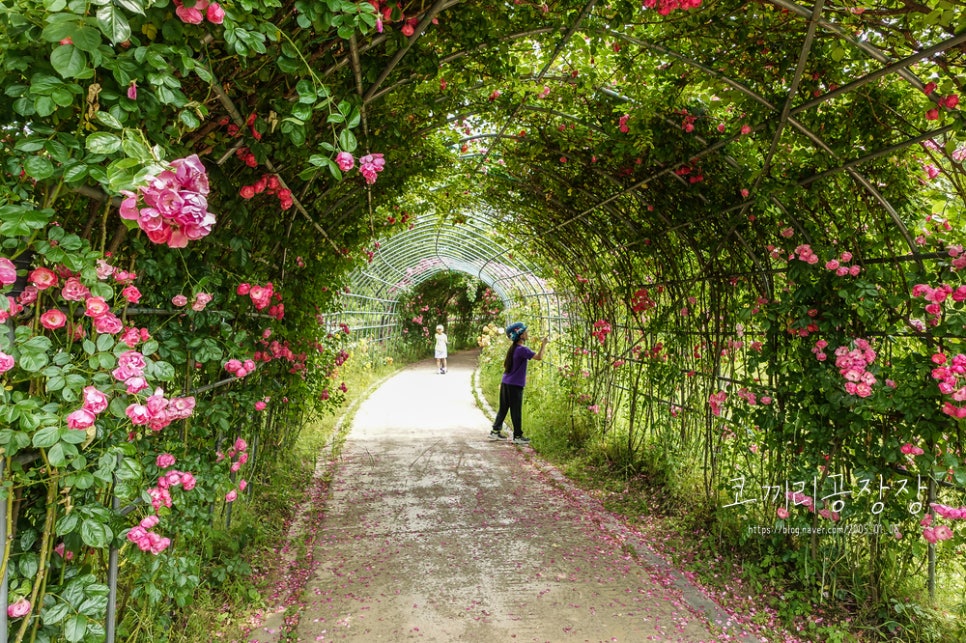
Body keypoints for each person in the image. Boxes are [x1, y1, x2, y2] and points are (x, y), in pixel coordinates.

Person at [490, 322, 548, 445]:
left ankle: (495, 431)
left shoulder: (513, 349)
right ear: (520, 335)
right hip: (515, 385)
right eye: (524, 332)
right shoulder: (522, 350)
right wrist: (543, 345)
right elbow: (539, 357)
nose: (527, 333)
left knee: (504, 408)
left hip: (506, 382)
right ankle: (517, 436)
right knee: (516, 410)